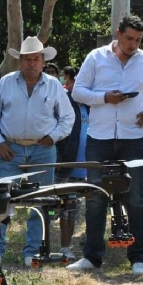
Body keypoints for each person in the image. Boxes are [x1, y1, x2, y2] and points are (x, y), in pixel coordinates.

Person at [67, 15, 143, 276]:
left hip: (134, 138)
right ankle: (92, 257)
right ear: (118, 34)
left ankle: (138, 258)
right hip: (99, 138)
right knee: (95, 197)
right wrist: (104, 98)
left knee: (136, 198)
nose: (133, 44)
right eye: (129, 38)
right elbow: (77, 92)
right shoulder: (96, 57)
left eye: (138, 40)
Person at [0, 36, 74, 266]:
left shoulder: (54, 85)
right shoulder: (5, 82)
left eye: (36, 59)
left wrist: (52, 137)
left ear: (42, 61)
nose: (31, 63)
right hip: (9, 149)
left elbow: (67, 118)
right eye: (27, 59)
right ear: (20, 61)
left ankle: (32, 251)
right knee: (0, 201)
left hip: (42, 151)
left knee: (40, 201)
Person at [55, 67, 89, 260]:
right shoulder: (64, 102)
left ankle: (67, 246)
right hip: (64, 165)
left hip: (84, 169)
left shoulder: (90, 106)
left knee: (72, 209)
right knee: (55, 208)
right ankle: (51, 246)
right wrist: (59, 160)